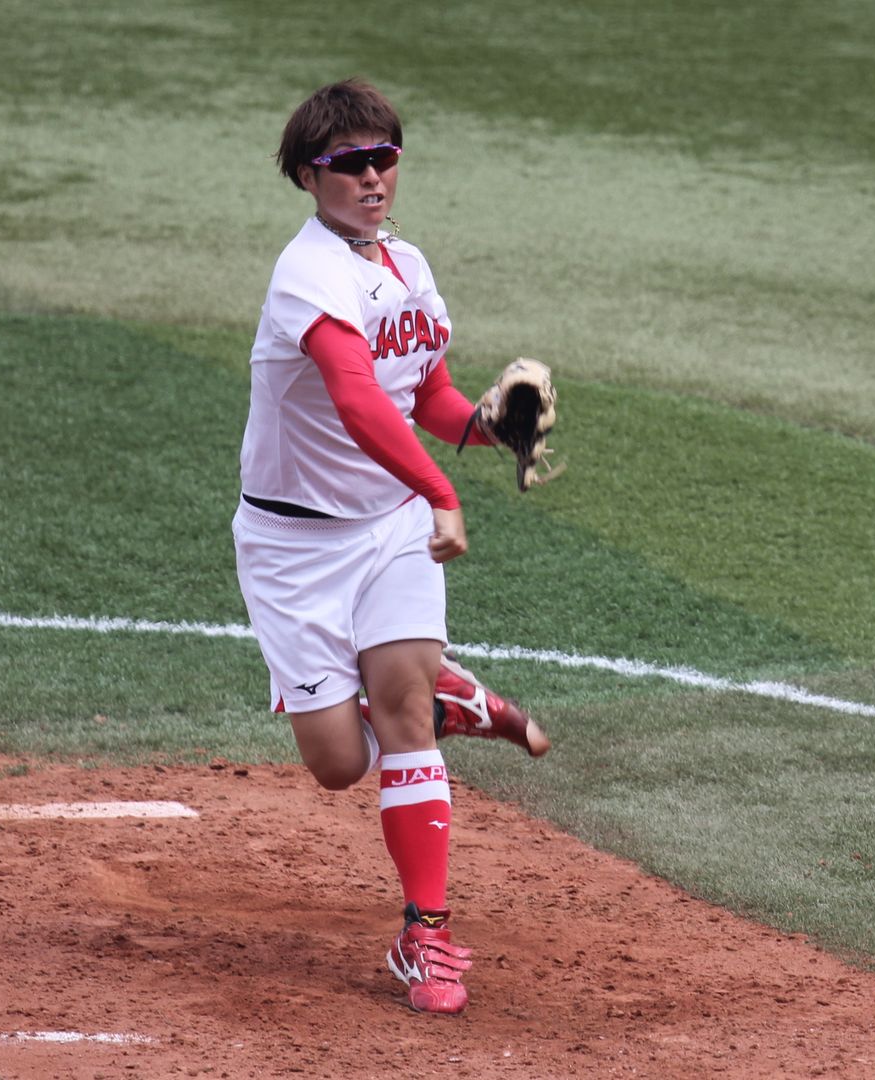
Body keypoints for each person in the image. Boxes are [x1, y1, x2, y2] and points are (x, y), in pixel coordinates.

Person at [232, 78, 551, 1016]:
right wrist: (443, 489)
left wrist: (492, 429)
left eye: (386, 158)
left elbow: (423, 397)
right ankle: (449, 694)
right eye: (350, 164)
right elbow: (356, 397)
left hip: (390, 528)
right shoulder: (309, 274)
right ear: (308, 176)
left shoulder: (405, 265)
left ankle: (428, 935)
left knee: (402, 719)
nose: (373, 178)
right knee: (338, 762)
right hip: (294, 548)